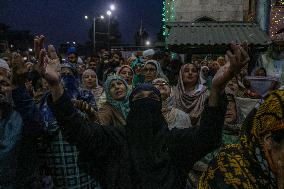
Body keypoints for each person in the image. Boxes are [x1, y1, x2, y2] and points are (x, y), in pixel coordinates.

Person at [41, 43, 249, 189]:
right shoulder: (115, 139)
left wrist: (217, 88)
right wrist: (55, 85)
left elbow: (208, 136)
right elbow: (76, 130)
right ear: (132, 106)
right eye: (139, 98)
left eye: (152, 98)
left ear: (160, 107)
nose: (145, 101)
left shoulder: (174, 142)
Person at [199, 90, 284, 189]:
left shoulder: (246, 135)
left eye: (230, 102)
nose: (227, 107)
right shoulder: (229, 171)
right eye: (224, 103)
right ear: (268, 141)